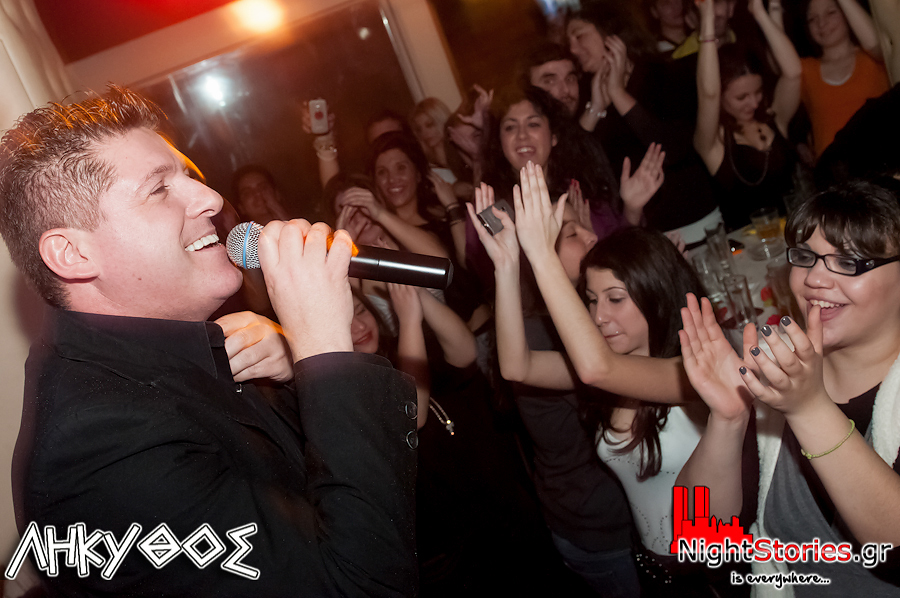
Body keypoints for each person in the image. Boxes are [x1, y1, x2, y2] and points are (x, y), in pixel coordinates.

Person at [0, 86, 418, 596]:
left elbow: (308, 485)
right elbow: (360, 586)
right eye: (159, 189)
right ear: (73, 254)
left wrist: (294, 367)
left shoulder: (167, 344)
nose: (212, 198)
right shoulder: (99, 453)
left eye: (189, 176)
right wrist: (326, 352)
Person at [677, 179, 900, 595]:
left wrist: (809, 408)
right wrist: (728, 419)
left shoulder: (795, 390)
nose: (814, 279)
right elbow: (698, 534)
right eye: (806, 257)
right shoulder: (774, 369)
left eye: (848, 260)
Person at [566, 1, 722, 243]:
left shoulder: (661, 73)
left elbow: (673, 150)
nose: (573, 49)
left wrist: (618, 93)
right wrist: (595, 108)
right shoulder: (588, 92)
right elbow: (578, 167)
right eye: (569, 42)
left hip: (697, 223)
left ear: (610, 34)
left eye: (579, 36)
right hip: (644, 238)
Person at [694, 0, 802, 230]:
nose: (754, 103)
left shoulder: (774, 118)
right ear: (721, 98)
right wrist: (707, 20)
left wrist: (759, 12)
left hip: (796, 234)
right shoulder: (713, 142)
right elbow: (708, 94)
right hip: (749, 249)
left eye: (758, 92)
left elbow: (793, 73)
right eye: (741, 97)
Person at [799, 0, 891, 159]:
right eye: (813, 19)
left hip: (882, 165)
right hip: (834, 171)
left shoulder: (873, 59)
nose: (822, 23)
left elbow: (876, 43)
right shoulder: (805, 70)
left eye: (831, 13)